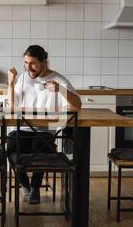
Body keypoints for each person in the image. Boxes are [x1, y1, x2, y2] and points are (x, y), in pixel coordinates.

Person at [7, 45, 81, 204]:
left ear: (44, 62)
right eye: (25, 63)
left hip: (44, 131)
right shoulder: (23, 78)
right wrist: (11, 84)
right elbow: (12, 107)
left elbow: (77, 105)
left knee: (40, 147)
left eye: (32, 63)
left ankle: (35, 187)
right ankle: (25, 186)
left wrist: (60, 89)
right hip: (22, 129)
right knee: (12, 145)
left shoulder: (58, 79)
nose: (28, 68)